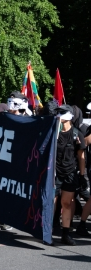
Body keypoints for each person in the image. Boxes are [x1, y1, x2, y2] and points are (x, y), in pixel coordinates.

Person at [54, 105, 87, 245]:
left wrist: (81, 175)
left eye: (62, 112)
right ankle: (47, 230)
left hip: (70, 173)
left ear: (70, 116)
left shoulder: (77, 134)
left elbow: (81, 157)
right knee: (51, 202)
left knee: (66, 203)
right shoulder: (53, 132)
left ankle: (65, 234)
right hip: (54, 173)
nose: (59, 115)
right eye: (58, 112)